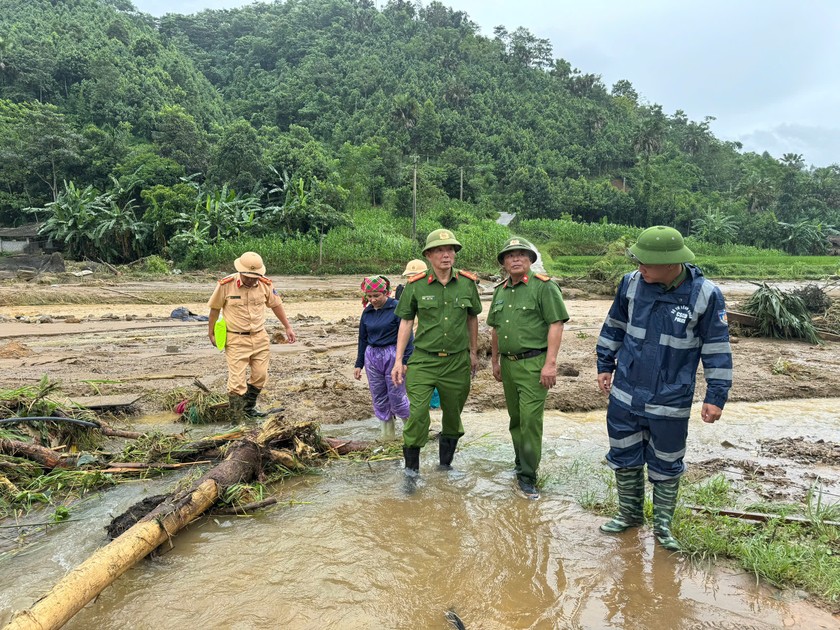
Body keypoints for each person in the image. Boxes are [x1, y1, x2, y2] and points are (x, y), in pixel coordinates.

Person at [596, 226, 732, 550]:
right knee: (624, 455)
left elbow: (717, 348)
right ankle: (629, 515)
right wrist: (604, 364)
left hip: (670, 398)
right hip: (626, 393)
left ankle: (662, 528)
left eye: (646, 262)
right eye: (638, 260)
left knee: (667, 462)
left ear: (672, 264)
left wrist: (716, 396)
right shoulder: (630, 284)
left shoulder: (705, 295)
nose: (639, 267)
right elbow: (614, 325)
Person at [391, 229, 482, 476]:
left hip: (457, 362)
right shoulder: (416, 285)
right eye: (440, 250)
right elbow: (406, 322)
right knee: (418, 414)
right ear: (429, 255)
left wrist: (473, 353)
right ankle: (411, 473)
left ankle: (445, 466)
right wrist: (398, 360)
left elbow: (472, 318)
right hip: (423, 360)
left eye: (451, 250)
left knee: (453, 416)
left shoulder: (467, 283)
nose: (446, 255)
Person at [488, 237, 569, 500]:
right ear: (503, 263)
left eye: (522, 255)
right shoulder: (500, 291)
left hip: (535, 364)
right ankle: (520, 464)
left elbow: (556, 324)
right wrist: (495, 361)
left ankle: (528, 477)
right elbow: (496, 329)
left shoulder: (543, 287)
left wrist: (550, 363)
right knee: (516, 420)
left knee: (531, 421)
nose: (516, 259)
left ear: (531, 260)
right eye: (510, 256)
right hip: (509, 366)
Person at [208, 251, 296, 419]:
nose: (252, 280)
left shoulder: (265, 285)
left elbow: (276, 305)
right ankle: (237, 420)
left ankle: (249, 409)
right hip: (235, 338)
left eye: (255, 276)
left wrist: (287, 327)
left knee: (260, 376)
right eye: (248, 276)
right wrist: (211, 332)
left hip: (259, 337)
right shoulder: (226, 285)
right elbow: (214, 309)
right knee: (236, 383)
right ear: (240, 271)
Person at [353, 275, 413, 440]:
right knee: (379, 396)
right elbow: (362, 338)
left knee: (396, 395)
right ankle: (387, 436)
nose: (373, 300)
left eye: (376, 296)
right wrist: (359, 364)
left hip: (393, 354)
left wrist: (405, 361)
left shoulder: (397, 309)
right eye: (369, 296)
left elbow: (408, 337)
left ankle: (413, 431)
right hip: (372, 356)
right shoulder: (367, 312)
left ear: (386, 292)